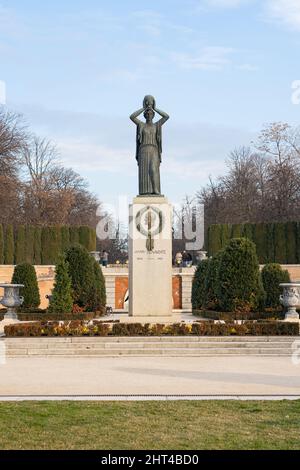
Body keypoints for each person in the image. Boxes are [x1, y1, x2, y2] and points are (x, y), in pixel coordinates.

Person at [130, 95, 169, 195]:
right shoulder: (141, 125)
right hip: (143, 150)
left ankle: (156, 190)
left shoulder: (157, 125)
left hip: (154, 150)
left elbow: (166, 116)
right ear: (144, 115)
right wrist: (144, 107)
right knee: (145, 172)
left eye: (151, 113)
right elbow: (132, 117)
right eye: (147, 113)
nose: (149, 114)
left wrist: (154, 108)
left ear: (153, 115)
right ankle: (145, 191)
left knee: (153, 169)